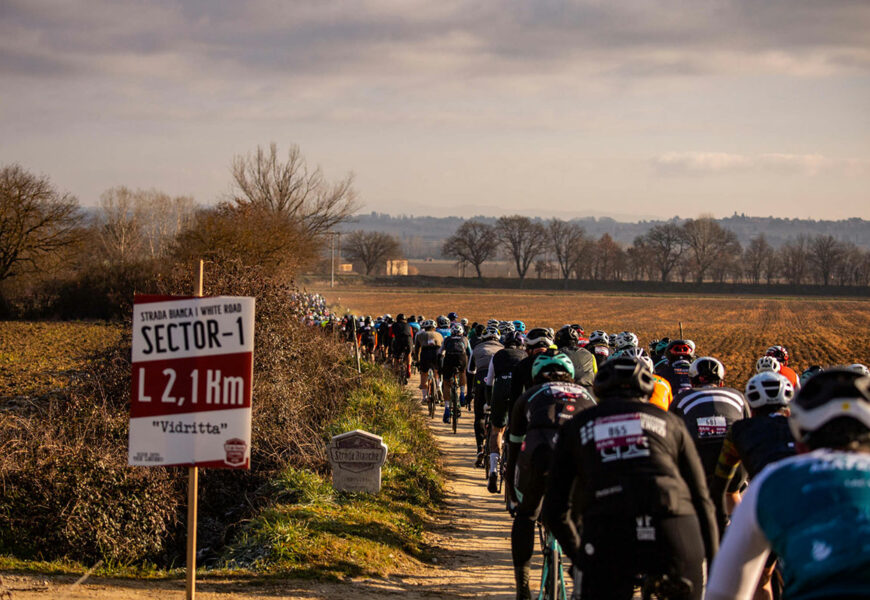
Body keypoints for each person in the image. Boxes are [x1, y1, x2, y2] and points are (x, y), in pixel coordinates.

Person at [543, 357, 718, 600]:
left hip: (609, 524)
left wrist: (580, 556)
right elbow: (702, 499)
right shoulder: (670, 422)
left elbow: (554, 510)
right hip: (674, 521)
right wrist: (714, 561)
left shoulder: (578, 425)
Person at [707, 369, 870, 599]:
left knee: (761, 578)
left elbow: (721, 594)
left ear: (800, 442)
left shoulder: (771, 479)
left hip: (773, 507)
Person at [506, 351, 597, 600]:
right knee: (583, 518)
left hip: (541, 455)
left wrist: (512, 493)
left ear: (535, 375)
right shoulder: (588, 395)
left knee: (526, 515)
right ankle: (583, 571)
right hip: (581, 459)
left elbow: (513, 447)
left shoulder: (529, 396)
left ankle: (523, 586)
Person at [709, 371, 796, 600]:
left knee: (760, 577)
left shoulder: (739, 430)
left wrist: (720, 524)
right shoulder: (803, 425)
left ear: (750, 403)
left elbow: (721, 484)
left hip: (767, 505)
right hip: (809, 501)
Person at [670, 357, 750, 497]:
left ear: (691, 381)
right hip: (733, 456)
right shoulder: (737, 395)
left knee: (697, 498)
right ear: (721, 381)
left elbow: (671, 434)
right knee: (732, 493)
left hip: (699, 458)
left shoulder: (683, 398)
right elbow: (748, 427)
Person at [485, 330, 527, 493]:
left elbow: (489, 380)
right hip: (519, 391)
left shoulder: (498, 355)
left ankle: (493, 470)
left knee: (497, 430)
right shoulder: (524, 356)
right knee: (520, 430)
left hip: (500, 389)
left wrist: (488, 403)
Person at [469, 326, 504, 466]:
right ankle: (499, 449)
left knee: (479, 416)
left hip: (481, 379)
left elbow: (470, 370)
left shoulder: (477, 348)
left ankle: (479, 447)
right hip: (498, 383)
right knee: (500, 418)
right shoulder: (503, 348)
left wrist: (469, 392)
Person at [440, 323, 470, 423]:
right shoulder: (465, 339)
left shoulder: (447, 339)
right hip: (461, 359)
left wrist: (439, 365)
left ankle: (447, 409)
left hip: (449, 360)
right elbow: (470, 352)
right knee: (462, 372)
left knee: (447, 383)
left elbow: (440, 352)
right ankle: (461, 394)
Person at [414, 319, 443, 404]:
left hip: (425, 353)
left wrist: (417, 360)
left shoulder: (420, 335)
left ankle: (424, 397)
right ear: (434, 327)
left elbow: (417, 349)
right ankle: (438, 387)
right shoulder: (439, 334)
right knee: (437, 372)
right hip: (436, 352)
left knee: (423, 374)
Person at [390, 313, 415, 378]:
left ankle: (396, 371)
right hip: (408, 340)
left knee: (396, 358)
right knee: (408, 354)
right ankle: (408, 368)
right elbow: (411, 335)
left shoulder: (394, 325)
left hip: (398, 340)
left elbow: (390, 335)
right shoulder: (408, 325)